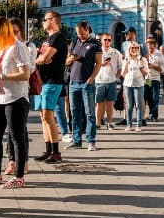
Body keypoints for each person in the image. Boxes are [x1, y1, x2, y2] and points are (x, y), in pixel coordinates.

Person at [0, 16, 32, 189]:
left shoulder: (19, 48)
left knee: (16, 136)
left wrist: (1, 76)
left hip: (16, 98)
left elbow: (25, 74)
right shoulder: (4, 49)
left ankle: (19, 176)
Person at [33, 11, 67, 164]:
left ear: (52, 21)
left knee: (48, 115)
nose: (42, 22)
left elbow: (45, 58)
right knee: (42, 116)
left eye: (44, 20)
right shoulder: (46, 40)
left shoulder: (58, 37)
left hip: (53, 81)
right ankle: (48, 150)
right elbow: (38, 59)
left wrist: (43, 59)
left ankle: (56, 152)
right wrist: (41, 59)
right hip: (42, 81)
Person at [64, 21, 102, 151]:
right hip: (73, 83)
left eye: (82, 33)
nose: (80, 35)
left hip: (87, 83)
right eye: (78, 33)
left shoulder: (95, 44)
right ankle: (77, 140)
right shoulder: (75, 42)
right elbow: (66, 61)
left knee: (90, 113)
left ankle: (91, 141)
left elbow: (98, 64)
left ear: (87, 30)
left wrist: (91, 79)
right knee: (75, 113)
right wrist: (72, 58)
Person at [94, 33, 122, 127]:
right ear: (101, 41)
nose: (107, 42)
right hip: (99, 81)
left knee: (110, 104)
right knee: (99, 103)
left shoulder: (115, 52)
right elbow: (91, 66)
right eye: (105, 40)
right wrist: (100, 64)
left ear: (111, 41)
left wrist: (117, 77)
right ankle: (98, 122)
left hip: (111, 81)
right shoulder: (97, 52)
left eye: (109, 40)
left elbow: (120, 67)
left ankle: (109, 123)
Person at [120, 43, 148, 132]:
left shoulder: (142, 59)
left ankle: (138, 125)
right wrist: (126, 64)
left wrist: (140, 65)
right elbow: (123, 74)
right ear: (129, 49)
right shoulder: (126, 59)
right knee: (129, 105)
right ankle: (129, 124)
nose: (134, 49)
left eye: (136, 47)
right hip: (127, 84)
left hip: (139, 84)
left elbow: (146, 73)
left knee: (139, 105)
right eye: (132, 48)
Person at [143, 37, 164, 122]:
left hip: (155, 79)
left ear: (155, 46)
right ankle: (150, 114)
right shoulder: (145, 55)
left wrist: (154, 66)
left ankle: (155, 115)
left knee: (155, 97)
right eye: (148, 46)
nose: (150, 48)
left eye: (152, 46)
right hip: (147, 79)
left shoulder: (159, 55)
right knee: (148, 98)